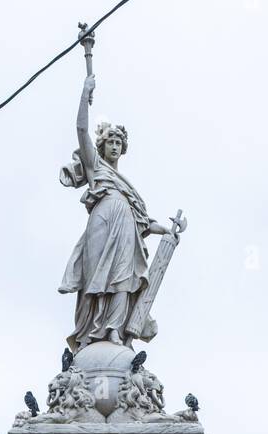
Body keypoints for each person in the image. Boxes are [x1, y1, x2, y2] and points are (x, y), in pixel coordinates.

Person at [59, 73, 173, 352]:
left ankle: (113, 331)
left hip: (126, 231)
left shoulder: (126, 188)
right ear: (102, 146)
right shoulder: (95, 167)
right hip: (101, 224)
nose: (114, 146)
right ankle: (90, 332)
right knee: (94, 278)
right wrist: (85, 95)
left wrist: (168, 231)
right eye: (110, 142)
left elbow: (144, 222)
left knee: (124, 277)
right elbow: (81, 130)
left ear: (123, 149)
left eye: (118, 143)